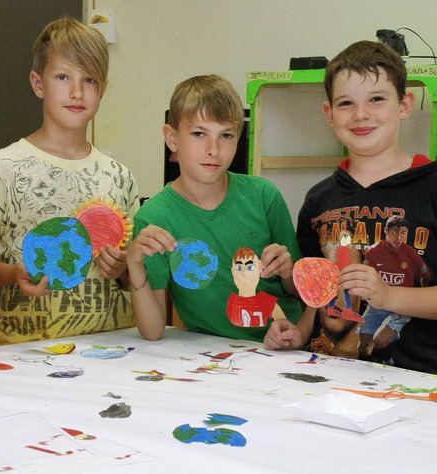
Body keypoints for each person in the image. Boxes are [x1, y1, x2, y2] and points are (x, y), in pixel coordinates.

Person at [0, 17, 139, 344]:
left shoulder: (120, 176)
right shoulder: (4, 167)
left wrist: (124, 269)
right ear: (38, 84)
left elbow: (137, 271)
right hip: (31, 354)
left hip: (112, 351)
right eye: (63, 77)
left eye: (90, 79)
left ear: (103, 89)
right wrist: (14, 273)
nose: (77, 91)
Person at [270, 40, 437, 373]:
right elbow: (317, 297)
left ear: (405, 104)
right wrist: (298, 333)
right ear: (329, 114)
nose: (361, 114)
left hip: (416, 388)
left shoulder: (431, 186)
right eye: (346, 103)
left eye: (376, 99)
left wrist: (388, 296)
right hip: (326, 377)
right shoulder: (319, 199)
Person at [126, 74, 303, 344]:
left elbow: (301, 293)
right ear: (172, 139)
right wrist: (133, 262)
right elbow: (152, 330)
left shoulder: (264, 196)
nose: (213, 149)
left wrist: (289, 272)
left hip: (287, 348)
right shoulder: (154, 218)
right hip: (215, 358)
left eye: (226, 135)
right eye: (199, 134)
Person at [358, 215, 430, 357]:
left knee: (379, 341)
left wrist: (421, 296)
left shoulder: (410, 253)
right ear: (386, 230)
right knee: (362, 345)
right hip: (377, 305)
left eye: (403, 233)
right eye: (395, 232)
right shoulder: (373, 251)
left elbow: (425, 274)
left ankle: (393, 341)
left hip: (402, 306)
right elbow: (364, 272)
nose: (399, 237)